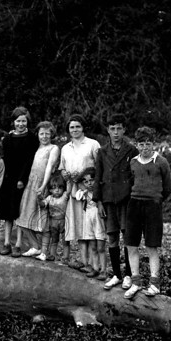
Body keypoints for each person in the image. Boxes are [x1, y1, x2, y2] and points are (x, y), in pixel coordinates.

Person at [123, 127, 171, 299]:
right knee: (131, 244)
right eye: (141, 144)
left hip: (153, 206)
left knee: (151, 245)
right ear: (137, 145)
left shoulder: (161, 162)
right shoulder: (133, 162)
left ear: (154, 144)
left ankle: (154, 283)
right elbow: (129, 183)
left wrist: (156, 200)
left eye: (148, 144)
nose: (145, 148)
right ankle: (135, 282)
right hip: (134, 205)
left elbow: (168, 187)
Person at [94, 114, 139, 290]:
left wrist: (134, 200)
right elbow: (98, 176)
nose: (116, 132)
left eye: (119, 128)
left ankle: (128, 274)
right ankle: (116, 275)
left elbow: (135, 177)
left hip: (126, 200)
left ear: (124, 130)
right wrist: (98, 202)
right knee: (112, 237)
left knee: (128, 237)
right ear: (107, 130)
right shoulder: (102, 151)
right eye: (112, 129)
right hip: (108, 200)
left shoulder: (132, 150)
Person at [14, 121, 59, 261]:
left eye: (47, 133)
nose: (44, 136)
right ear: (38, 135)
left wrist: (43, 185)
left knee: (42, 219)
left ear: (51, 134)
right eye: (41, 134)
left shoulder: (53, 148)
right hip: (30, 185)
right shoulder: (36, 147)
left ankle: (44, 251)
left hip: (42, 185)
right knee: (22, 217)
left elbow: (49, 167)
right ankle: (35, 246)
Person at [59, 114, 100, 267]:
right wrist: (65, 173)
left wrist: (85, 176)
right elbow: (62, 167)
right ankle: (83, 259)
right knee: (79, 223)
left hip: (88, 189)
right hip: (73, 190)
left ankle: (94, 263)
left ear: (83, 128)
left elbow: (99, 167)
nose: (75, 130)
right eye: (72, 127)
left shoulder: (92, 144)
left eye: (78, 126)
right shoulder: (65, 148)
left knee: (90, 223)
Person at [0, 107, 39, 256]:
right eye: (18, 121)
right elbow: (6, 160)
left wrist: (22, 179)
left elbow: (29, 161)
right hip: (9, 180)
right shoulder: (7, 139)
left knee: (20, 213)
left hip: (25, 180)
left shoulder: (32, 138)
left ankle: (18, 244)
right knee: (8, 213)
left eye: (23, 121)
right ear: (13, 122)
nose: (21, 124)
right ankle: (7, 242)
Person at [75, 166, 107, 278]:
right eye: (86, 181)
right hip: (88, 220)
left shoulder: (100, 193)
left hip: (98, 220)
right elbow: (77, 193)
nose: (89, 184)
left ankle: (103, 270)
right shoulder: (83, 193)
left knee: (100, 247)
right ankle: (95, 268)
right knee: (92, 246)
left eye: (92, 180)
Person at [41, 178, 66, 262]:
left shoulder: (64, 196)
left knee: (65, 240)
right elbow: (43, 204)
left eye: (60, 188)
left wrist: (69, 180)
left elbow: (69, 191)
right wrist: (39, 198)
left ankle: (66, 257)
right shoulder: (49, 198)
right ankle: (52, 255)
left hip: (64, 221)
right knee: (54, 239)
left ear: (63, 189)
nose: (57, 190)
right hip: (53, 222)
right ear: (50, 190)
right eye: (54, 188)